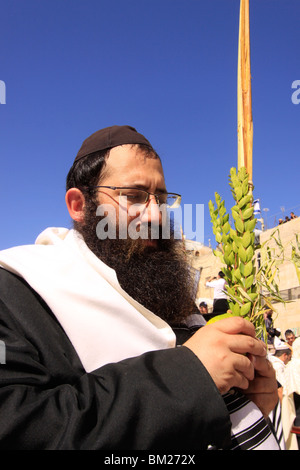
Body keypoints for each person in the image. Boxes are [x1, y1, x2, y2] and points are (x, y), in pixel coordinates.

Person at [0, 125, 279, 450]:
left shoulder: (165, 291)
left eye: (161, 198)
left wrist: (255, 405)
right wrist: (187, 376)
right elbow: (18, 427)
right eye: (132, 196)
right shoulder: (16, 291)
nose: (155, 215)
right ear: (78, 205)